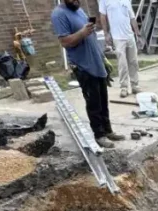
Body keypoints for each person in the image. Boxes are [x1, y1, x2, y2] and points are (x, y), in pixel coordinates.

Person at [51, 0, 124, 149]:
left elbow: (89, 36)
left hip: (96, 62)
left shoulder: (79, 10)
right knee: (93, 103)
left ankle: (107, 130)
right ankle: (99, 135)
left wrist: (102, 59)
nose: (76, 1)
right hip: (83, 66)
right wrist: (82, 32)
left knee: (103, 100)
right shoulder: (59, 14)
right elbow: (65, 41)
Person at [98, 0, 142, 99]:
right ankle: (124, 87)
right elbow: (102, 16)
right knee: (122, 64)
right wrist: (106, 34)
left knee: (133, 62)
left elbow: (132, 17)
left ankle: (135, 85)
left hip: (130, 36)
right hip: (117, 37)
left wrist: (137, 33)